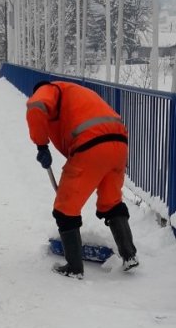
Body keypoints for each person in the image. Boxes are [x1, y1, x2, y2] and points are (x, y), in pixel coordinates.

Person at [26, 80, 139, 278]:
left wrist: (41, 145)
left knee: (65, 209)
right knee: (111, 203)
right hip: (119, 144)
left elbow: (36, 106)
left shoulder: (48, 88)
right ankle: (130, 255)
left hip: (91, 145)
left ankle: (74, 268)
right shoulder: (75, 92)